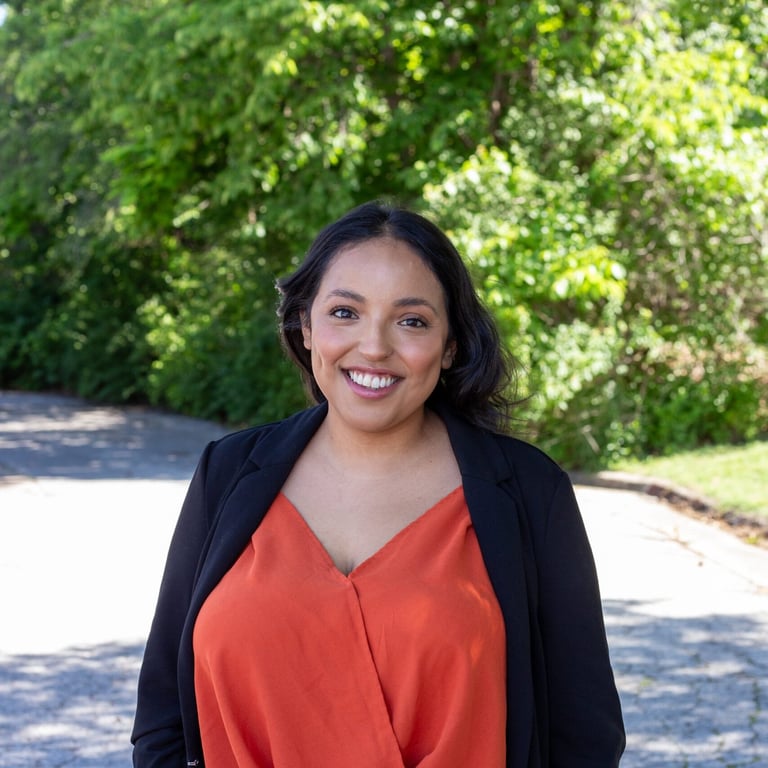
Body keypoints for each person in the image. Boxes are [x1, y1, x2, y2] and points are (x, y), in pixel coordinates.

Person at [131, 201, 625, 768]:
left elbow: (585, 733)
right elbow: (163, 716)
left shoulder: (528, 492)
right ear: (306, 325)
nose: (374, 346)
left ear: (451, 346)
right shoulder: (230, 473)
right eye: (345, 312)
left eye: (411, 320)